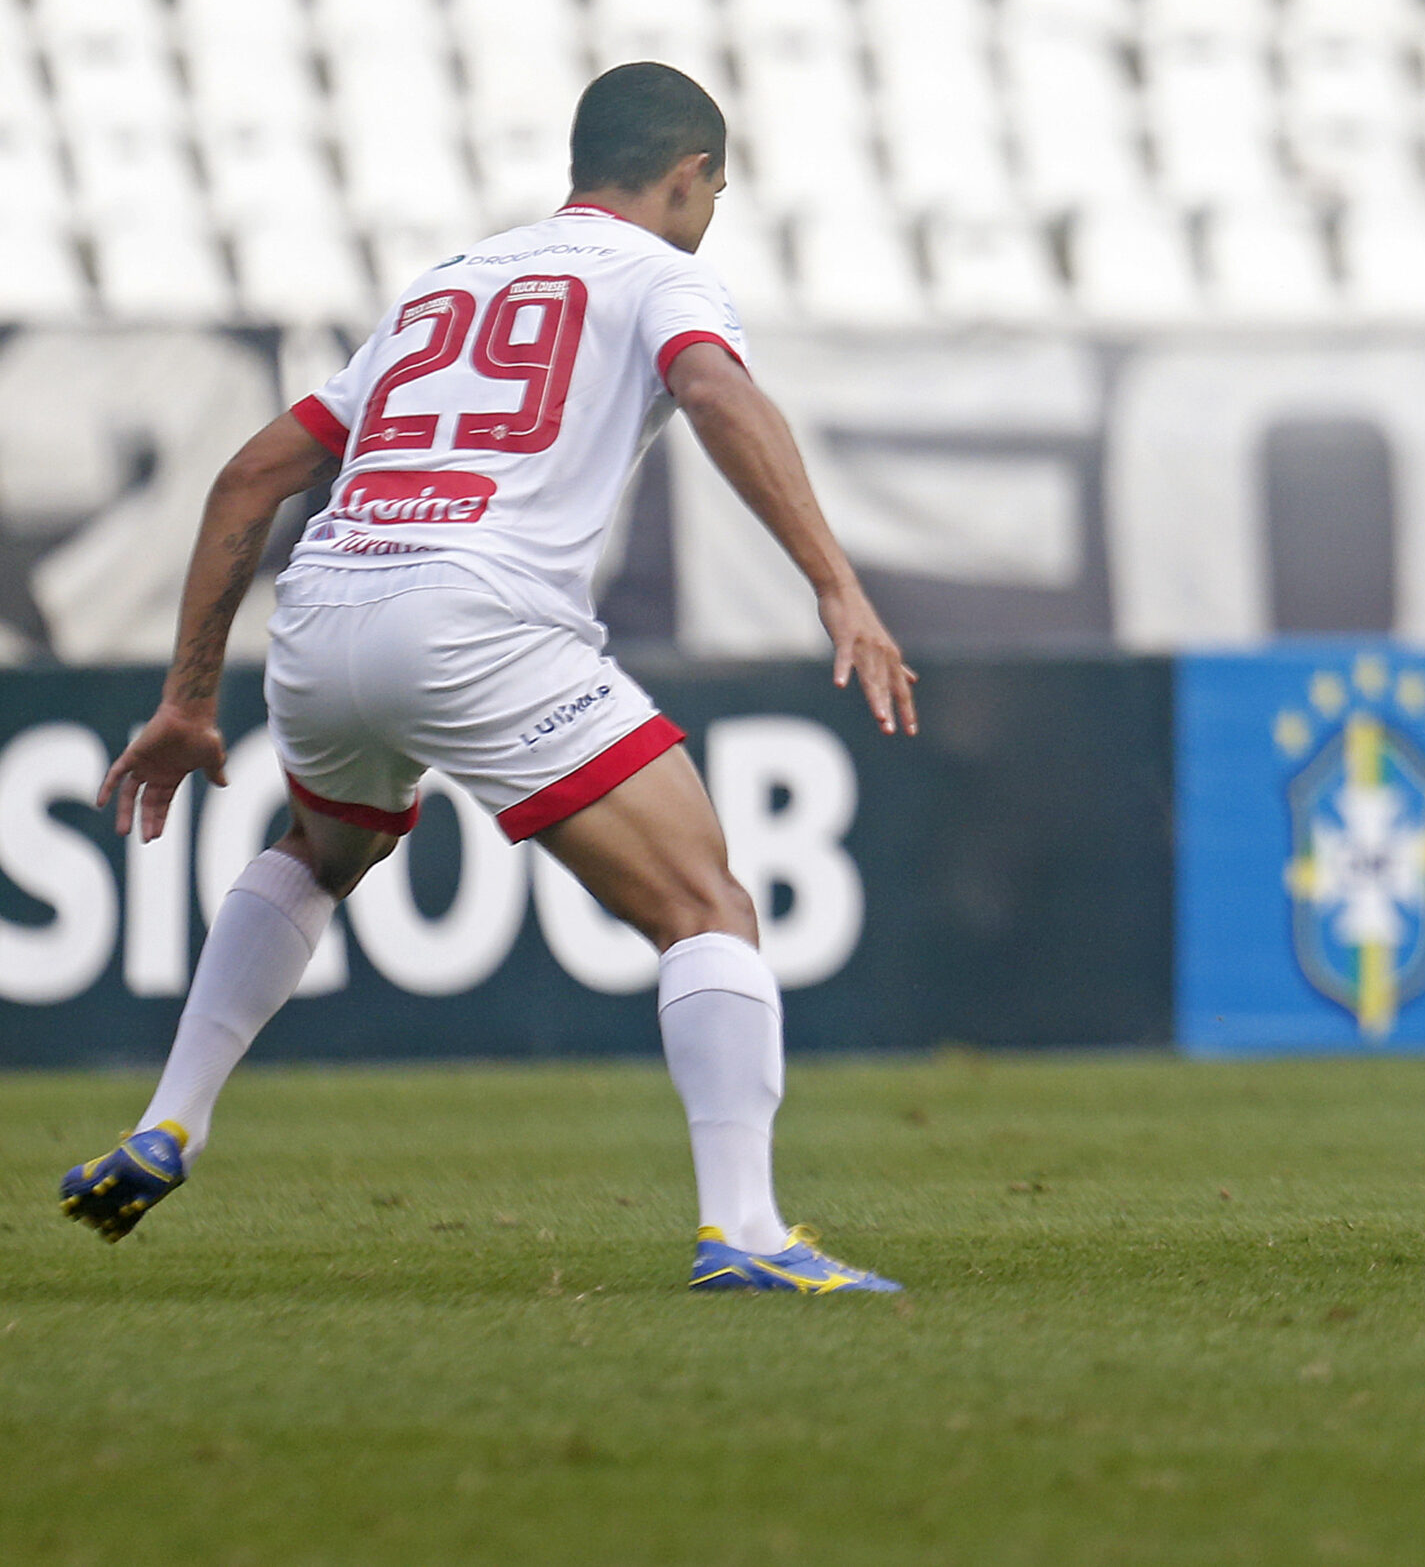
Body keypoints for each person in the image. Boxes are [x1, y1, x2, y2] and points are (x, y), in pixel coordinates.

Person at [60, 63, 919, 1294]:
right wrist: (834, 580)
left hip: (324, 606)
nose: (710, 214)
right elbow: (716, 387)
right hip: (474, 615)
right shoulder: (661, 275)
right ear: (689, 177)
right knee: (705, 908)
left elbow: (252, 477)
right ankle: (745, 1232)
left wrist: (188, 701)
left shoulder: (441, 286)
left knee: (324, 850)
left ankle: (173, 1118)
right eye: (713, 192)